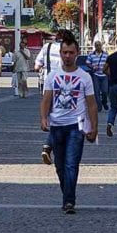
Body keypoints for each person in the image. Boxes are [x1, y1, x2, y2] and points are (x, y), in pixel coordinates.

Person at [39, 33, 97, 214]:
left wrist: (94, 127)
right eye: (64, 52)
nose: (67, 56)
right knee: (60, 165)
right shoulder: (53, 76)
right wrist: (43, 118)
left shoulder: (84, 77)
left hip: (76, 125)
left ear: (77, 53)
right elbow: (46, 100)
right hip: (56, 125)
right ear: (61, 53)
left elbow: (91, 103)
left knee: (72, 163)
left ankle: (69, 201)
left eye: (71, 53)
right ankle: (68, 194)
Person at [35, 30, 68, 164]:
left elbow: (36, 66)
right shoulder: (67, 50)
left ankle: (50, 146)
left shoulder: (46, 47)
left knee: (54, 118)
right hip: (63, 86)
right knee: (61, 119)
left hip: (48, 86)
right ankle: (49, 146)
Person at [88, 40, 109, 112]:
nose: (98, 47)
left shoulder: (106, 54)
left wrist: (106, 68)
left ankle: (104, 102)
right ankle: (99, 106)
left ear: (101, 46)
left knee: (105, 91)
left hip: (104, 75)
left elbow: (108, 63)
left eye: (99, 45)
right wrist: (92, 67)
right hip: (96, 75)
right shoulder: (91, 54)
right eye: (96, 45)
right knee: (96, 92)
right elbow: (87, 62)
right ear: (95, 46)